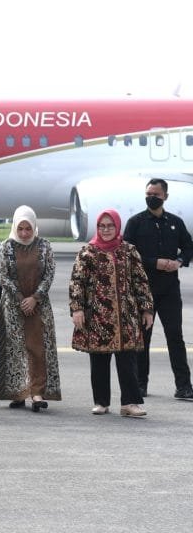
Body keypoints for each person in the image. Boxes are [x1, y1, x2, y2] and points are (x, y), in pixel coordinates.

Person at [69, 209, 154, 417]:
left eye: (110, 226)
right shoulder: (87, 252)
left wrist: (146, 308)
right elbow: (77, 282)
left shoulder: (129, 251)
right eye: (102, 226)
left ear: (117, 227)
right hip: (97, 315)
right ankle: (101, 401)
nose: (106, 230)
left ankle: (130, 403)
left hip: (125, 315)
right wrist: (77, 308)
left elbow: (140, 281)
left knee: (128, 361)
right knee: (99, 360)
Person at [0, 205, 61, 412]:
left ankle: (36, 393)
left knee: (38, 348)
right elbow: (2, 276)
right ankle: (18, 393)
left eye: (28, 229)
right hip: (12, 306)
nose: (25, 233)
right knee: (15, 349)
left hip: (39, 306)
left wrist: (35, 298)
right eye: (21, 229)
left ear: (34, 227)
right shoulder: (6, 247)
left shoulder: (44, 246)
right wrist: (21, 299)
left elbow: (49, 274)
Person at [124, 178, 193, 400]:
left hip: (170, 290)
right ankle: (141, 384)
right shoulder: (135, 223)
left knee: (175, 337)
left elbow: (189, 246)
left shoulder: (175, 222)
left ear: (165, 197)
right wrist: (155, 262)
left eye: (156, 194)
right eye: (148, 194)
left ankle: (183, 386)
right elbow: (127, 254)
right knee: (143, 338)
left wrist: (180, 261)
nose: (151, 198)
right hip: (144, 290)